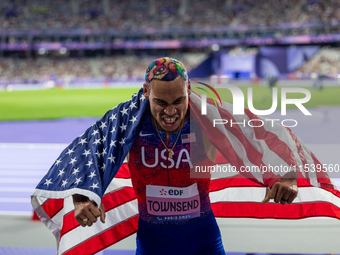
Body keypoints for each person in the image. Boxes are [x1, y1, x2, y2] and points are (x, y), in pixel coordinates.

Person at [71, 57, 298, 254]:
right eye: (160, 102)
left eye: (179, 101)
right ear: (146, 91)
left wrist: (287, 174)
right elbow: (89, 153)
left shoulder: (207, 120)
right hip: (152, 244)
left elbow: (262, 136)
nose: (170, 112)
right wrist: (81, 197)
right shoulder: (129, 126)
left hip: (203, 241)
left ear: (188, 89)